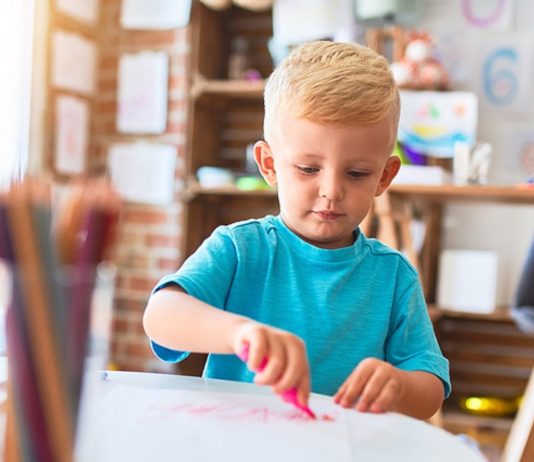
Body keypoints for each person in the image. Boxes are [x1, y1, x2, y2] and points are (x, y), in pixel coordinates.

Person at [143, 40, 450, 420]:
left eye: (356, 173)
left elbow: (431, 388)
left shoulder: (393, 276)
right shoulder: (239, 249)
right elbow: (161, 316)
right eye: (308, 169)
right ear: (269, 164)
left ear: (384, 177)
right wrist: (239, 333)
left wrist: (399, 387)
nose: (331, 190)